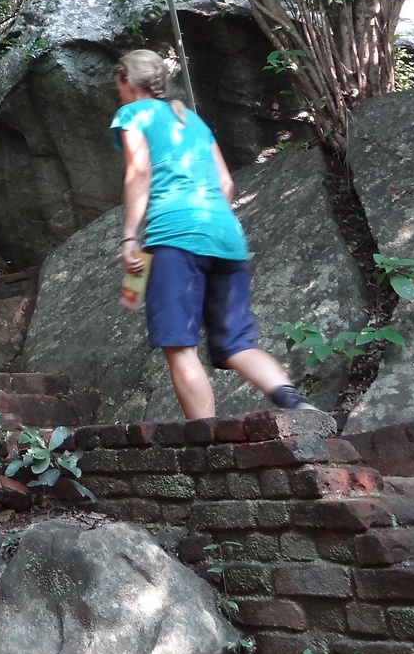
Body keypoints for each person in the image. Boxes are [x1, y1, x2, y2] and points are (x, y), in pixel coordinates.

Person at [111, 49, 314, 419]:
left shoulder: (132, 114)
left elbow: (139, 172)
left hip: (175, 238)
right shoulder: (190, 119)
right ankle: (293, 401)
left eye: (118, 85)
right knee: (236, 344)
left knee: (179, 344)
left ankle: (207, 440)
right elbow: (225, 183)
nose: (118, 94)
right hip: (226, 238)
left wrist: (129, 236)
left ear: (127, 80)